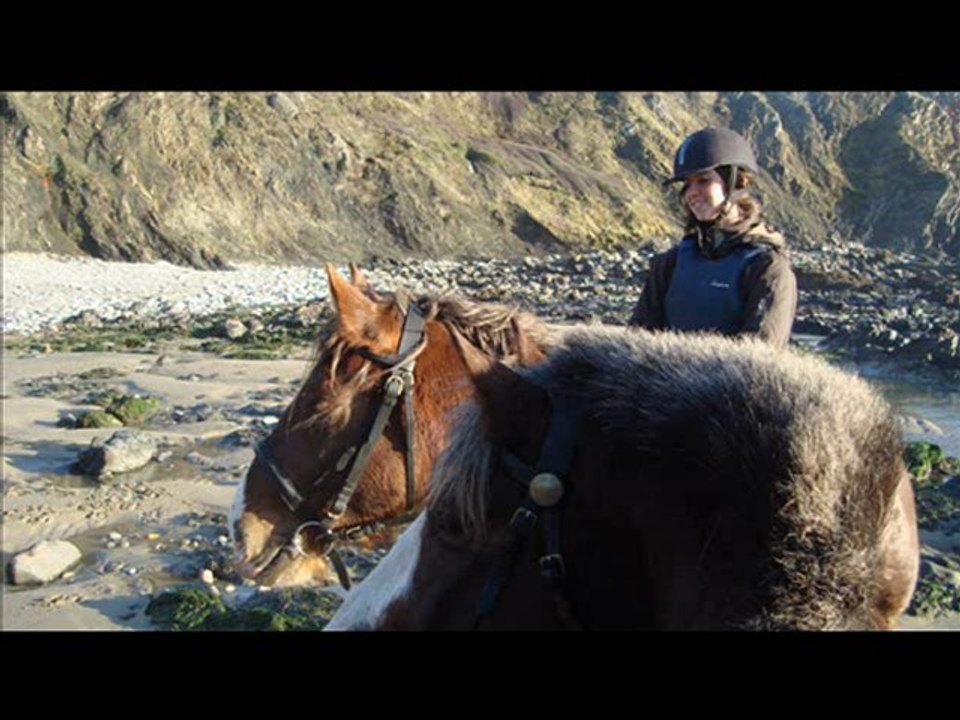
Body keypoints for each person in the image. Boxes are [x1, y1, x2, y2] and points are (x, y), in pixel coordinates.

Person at [628, 127, 797, 349]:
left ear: (736, 182)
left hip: (728, 384)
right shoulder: (670, 264)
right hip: (663, 383)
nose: (691, 192)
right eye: (687, 184)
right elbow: (635, 343)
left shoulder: (767, 269)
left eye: (703, 180)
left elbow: (760, 359)